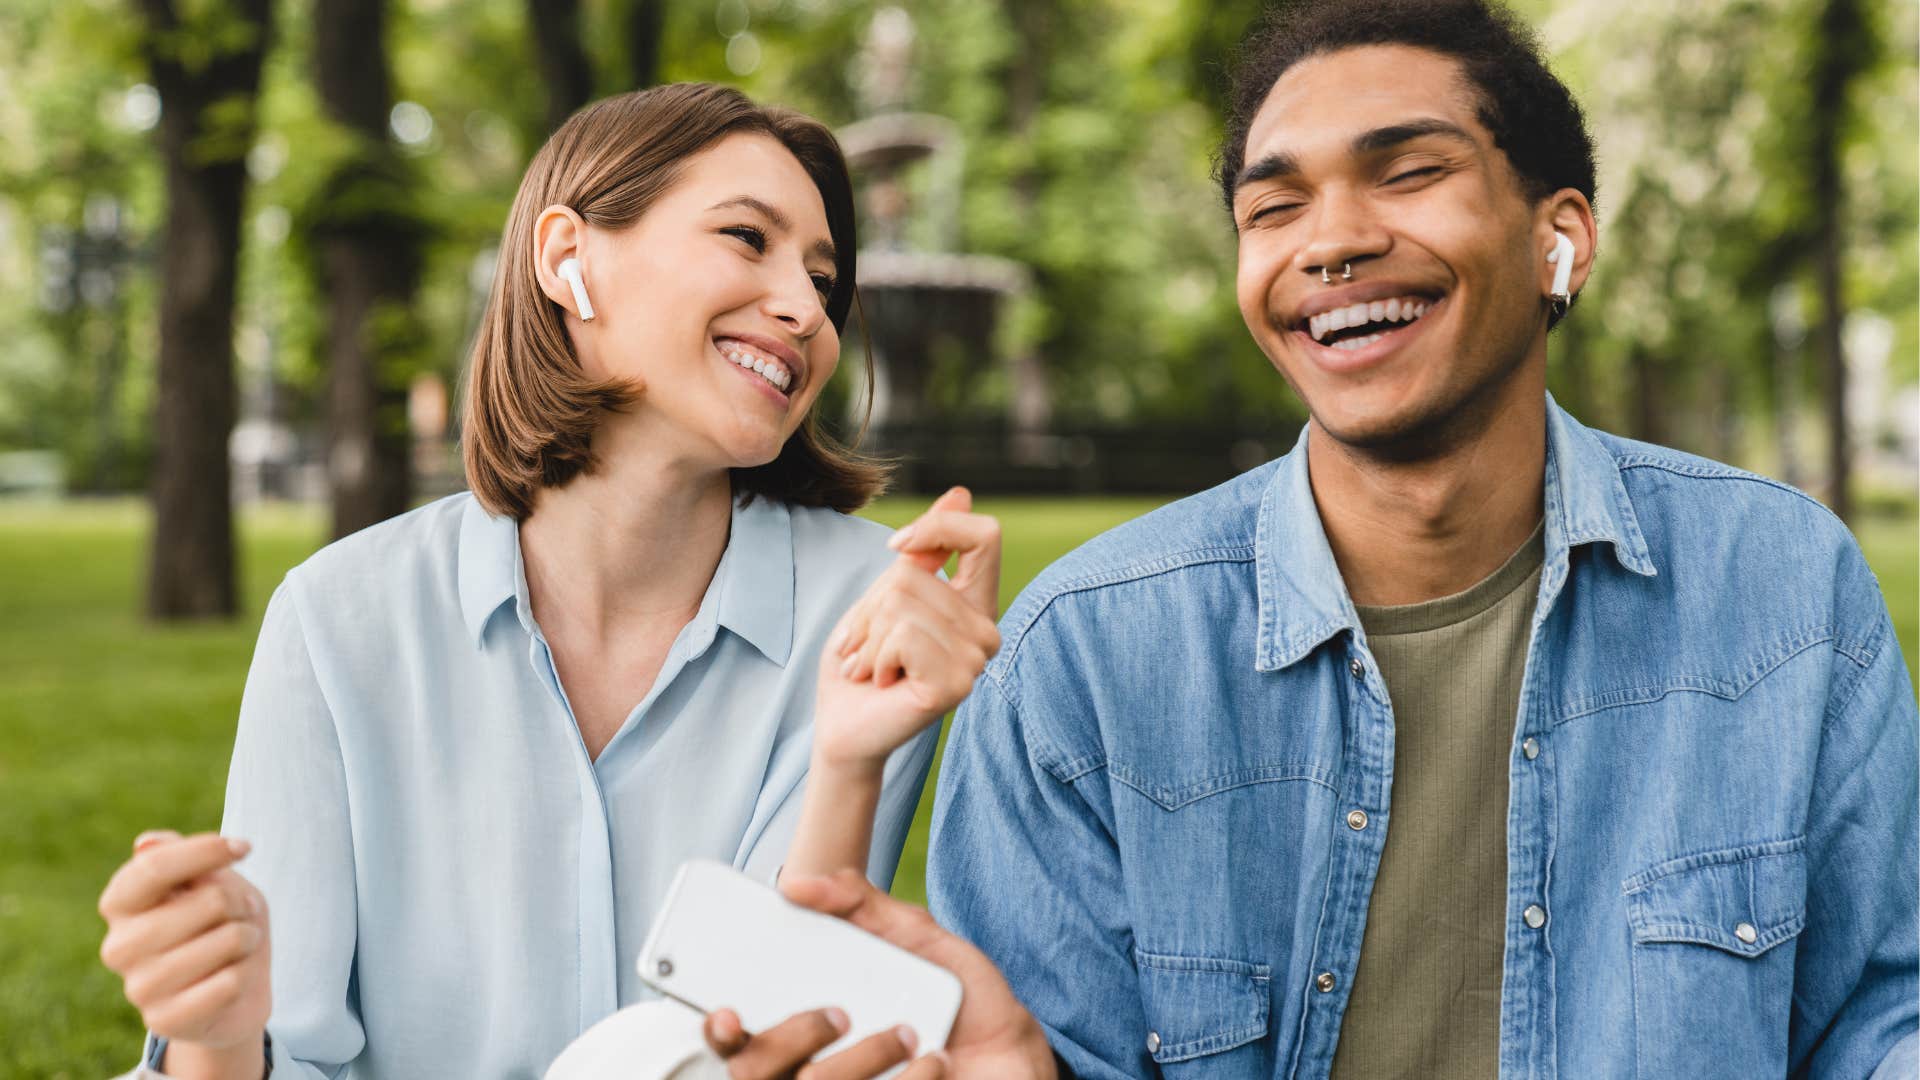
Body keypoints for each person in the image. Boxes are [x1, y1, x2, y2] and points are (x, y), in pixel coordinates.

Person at [923, 1, 1920, 1077]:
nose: (1333, 240)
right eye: (1275, 206)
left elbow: (1878, 1023)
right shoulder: (1079, 663)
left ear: (1562, 237)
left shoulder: (1784, 588)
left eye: (1407, 174)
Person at [94, 82, 1004, 1080]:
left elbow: (774, 1041)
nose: (805, 309)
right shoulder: (339, 618)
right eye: (748, 238)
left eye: (824, 280)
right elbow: (282, 1051)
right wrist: (216, 1031)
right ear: (569, 260)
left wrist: (847, 765)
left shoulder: (870, 607)